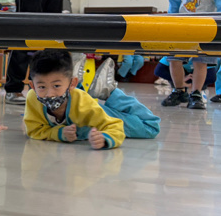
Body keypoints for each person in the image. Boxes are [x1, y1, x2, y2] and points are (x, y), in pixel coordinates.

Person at [23, 49, 160, 148]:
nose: (49, 94)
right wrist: (58, 133)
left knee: (150, 126)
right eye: (42, 87)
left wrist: (105, 138)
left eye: (56, 85)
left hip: (89, 109)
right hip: (80, 109)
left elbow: (115, 126)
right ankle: (77, 82)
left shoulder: (83, 102)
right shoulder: (33, 97)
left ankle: (109, 92)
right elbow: (33, 130)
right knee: (74, 97)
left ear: (72, 83)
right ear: (32, 86)